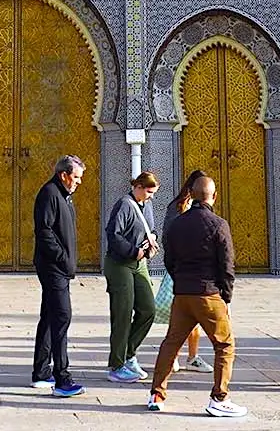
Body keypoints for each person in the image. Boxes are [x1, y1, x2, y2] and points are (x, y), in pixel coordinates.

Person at [146, 174, 244, 419]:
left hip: (183, 293)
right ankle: (219, 398)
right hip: (209, 293)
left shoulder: (177, 224)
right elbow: (227, 265)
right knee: (224, 345)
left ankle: (157, 395)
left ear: (191, 194)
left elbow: (169, 259)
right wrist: (226, 297)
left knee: (171, 343)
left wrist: (180, 280)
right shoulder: (219, 224)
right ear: (214, 195)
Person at [30, 155, 84, 397]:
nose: (78, 182)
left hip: (59, 268)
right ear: (64, 175)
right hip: (53, 268)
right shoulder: (50, 194)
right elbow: (44, 231)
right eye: (76, 177)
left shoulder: (63, 195)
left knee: (51, 316)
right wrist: (62, 258)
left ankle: (41, 372)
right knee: (62, 317)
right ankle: (63, 379)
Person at [103, 172, 160, 383]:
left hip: (140, 264)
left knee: (148, 309)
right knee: (123, 313)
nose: (151, 196)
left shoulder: (147, 205)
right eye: (149, 192)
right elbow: (113, 234)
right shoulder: (124, 205)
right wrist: (132, 251)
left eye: (153, 193)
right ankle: (117, 365)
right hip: (120, 265)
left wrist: (153, 240)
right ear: (137, 186)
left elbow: (151, 229)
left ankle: (129, 353)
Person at [157, 171, 214, 375]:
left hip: (194, 270)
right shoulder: (178, 206)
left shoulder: (200, 208)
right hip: (182, 269)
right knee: (180, 317)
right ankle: (176, 357)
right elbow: (168, 237)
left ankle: (192, 356)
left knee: (192, 318)